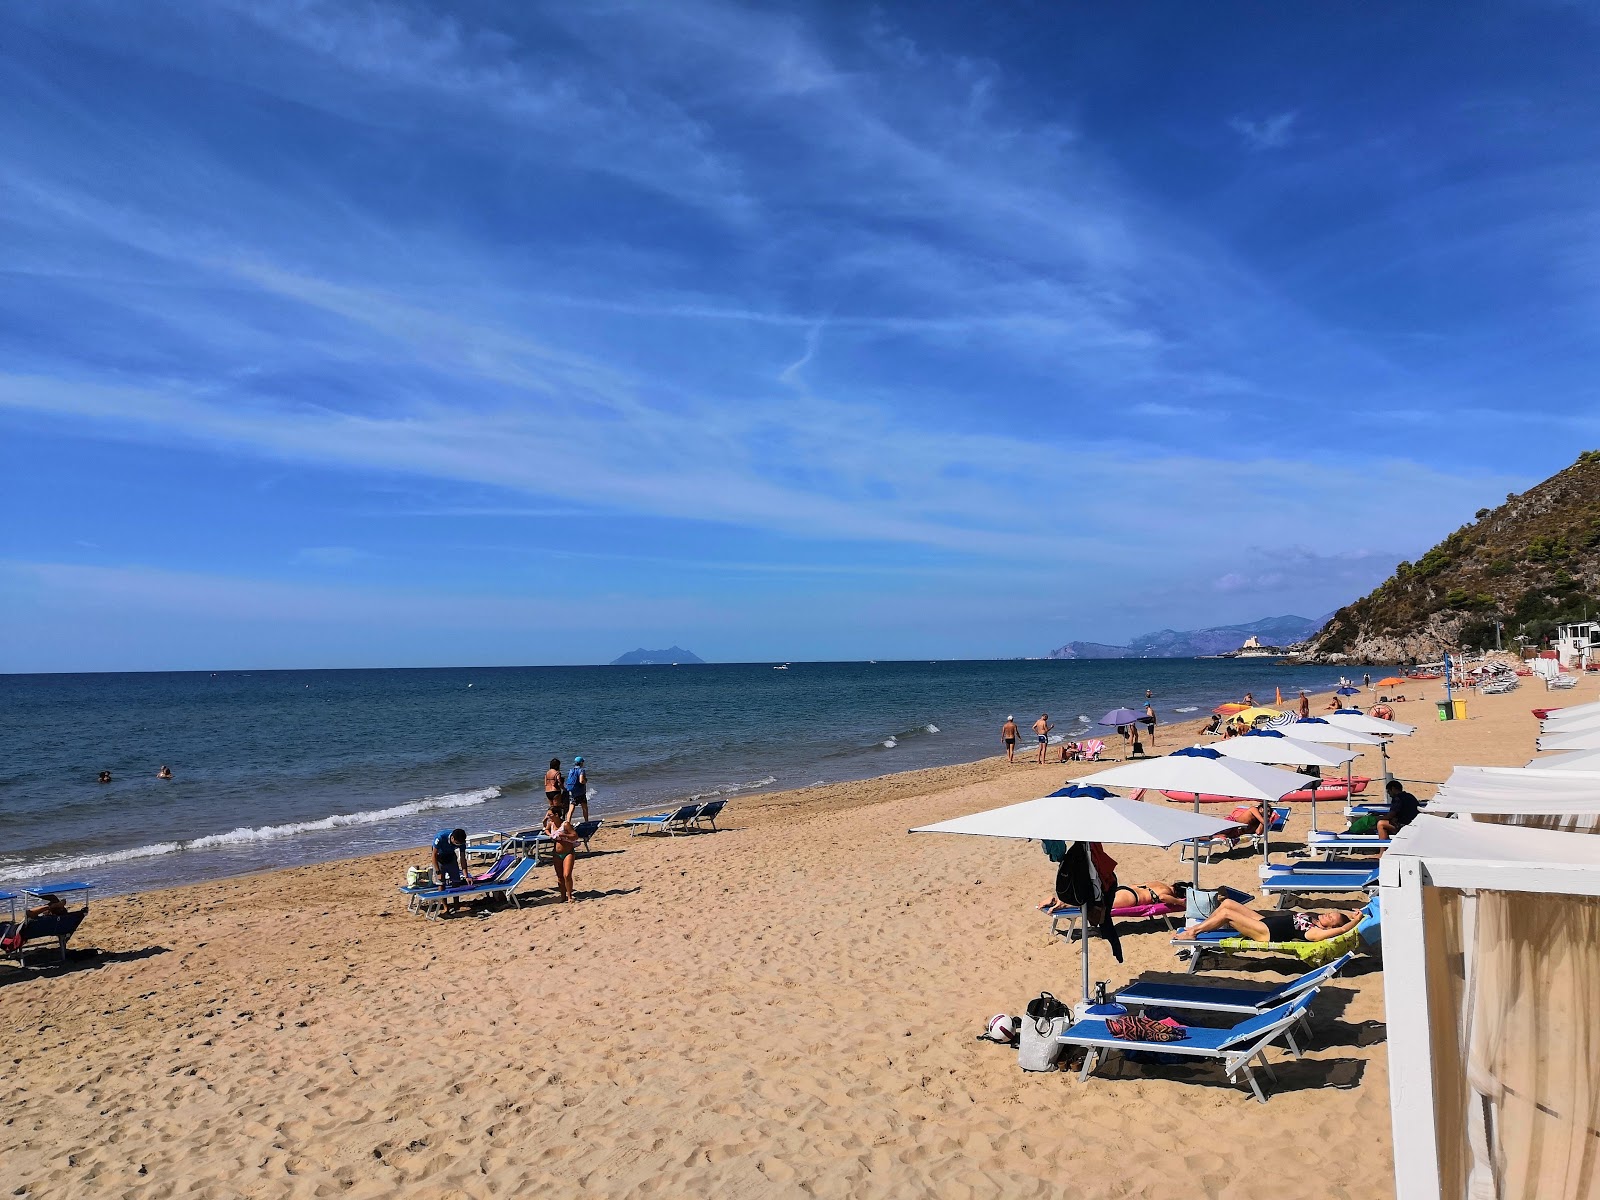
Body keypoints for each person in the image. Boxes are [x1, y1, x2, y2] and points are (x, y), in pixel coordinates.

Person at [1176, 897, 1363, 944]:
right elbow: (1341, 922)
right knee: (1227, 904)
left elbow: (1341, 930)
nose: (1327, 914)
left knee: (1227, 915)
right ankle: (1204, 926)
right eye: (1330, 912)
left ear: (1333, 926)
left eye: (1331, 918)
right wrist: (1354, 913)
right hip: (1266, 921)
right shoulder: (1315, 921)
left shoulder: (1316, 933)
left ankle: (1194, 932)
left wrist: (1355, 922)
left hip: (1266, 933)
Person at [543, 790, 579, 904]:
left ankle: (570, 896)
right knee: (559, 876)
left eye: (550, 815)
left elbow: (575, 836)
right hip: (556, 853)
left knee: (567, 875)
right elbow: (546, 829)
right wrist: (550, 834)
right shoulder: (551, 824)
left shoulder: (565, 824)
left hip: (568, 852)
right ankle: (563, 896)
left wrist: (564, 835)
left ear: (557, 815)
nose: (548, 817)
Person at [431, 828, 470, 915]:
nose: (458, 845)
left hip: (451, 857)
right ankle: (445, 907)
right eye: (456, 843)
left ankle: (456, 905)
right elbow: (433, 856)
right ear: (452, 838)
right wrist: (438, 872)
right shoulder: (440, 837)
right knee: (441, 883)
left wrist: (466, 876)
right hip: (439, 857)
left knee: (456, 881)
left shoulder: (461, 842)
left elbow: (463, 859)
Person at [565, 756, 589, 824]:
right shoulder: (581, 770)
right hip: (580, 792)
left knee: (571, 807)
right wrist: (585, 781)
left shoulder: (571, 770)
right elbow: (581, 781)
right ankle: (586, 821)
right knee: (584, 807)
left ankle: (568, 822)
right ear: (581, 763)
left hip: (572, 791)